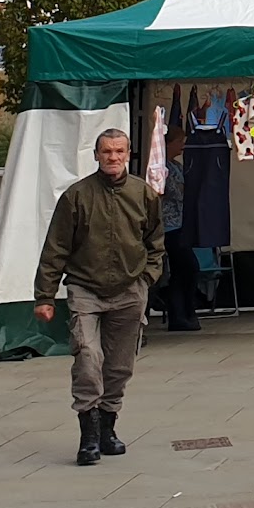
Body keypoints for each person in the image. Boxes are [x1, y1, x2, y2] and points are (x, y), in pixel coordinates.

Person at [32, 128, 165, 468]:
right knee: (89, 357)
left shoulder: (144, 194)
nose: (113, 157)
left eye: (119, 151)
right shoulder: (77, 196)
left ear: (129, 153)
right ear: (96, 154)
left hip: (129, 291)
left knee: (120, 365)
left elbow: (156, 244)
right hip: (85, 289)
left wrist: (147, 280)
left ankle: (108, 429)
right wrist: (45, 295)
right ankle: (88, 436)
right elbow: (55, 247)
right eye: (106, 151)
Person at [157, 130, 202, 333]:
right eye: (179, 142)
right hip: (169, 225)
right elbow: (176, 192)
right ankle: (180, 313)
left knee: (181, 270)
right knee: (187, 267)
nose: (182, 146)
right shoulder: (162, 168)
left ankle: (182, 314)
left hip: (179, 223)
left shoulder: (175, 166)